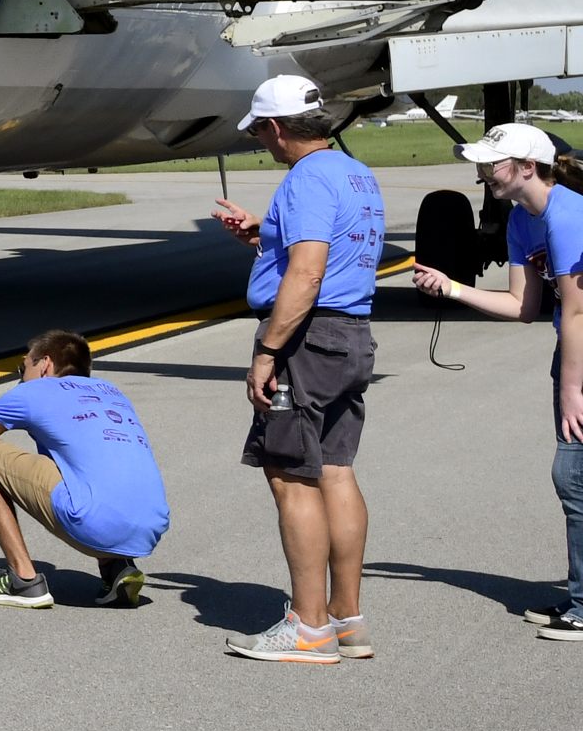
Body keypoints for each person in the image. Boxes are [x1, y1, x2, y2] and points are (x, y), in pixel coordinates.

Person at [213, 73, 384, 665]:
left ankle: (307, 626)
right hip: (352, 334)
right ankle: (346, 617)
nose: (263, 140)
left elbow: (308, 273)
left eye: (261, 130)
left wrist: (266, 350)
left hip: (308, 341)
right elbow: (326, 248)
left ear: (278, 127)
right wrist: (266, 235)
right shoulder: (352, 171)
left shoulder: (305, 177)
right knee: (336, 469)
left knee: (290, 475)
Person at [414, 122, 583, 637]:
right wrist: (452, 289)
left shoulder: (567, 214)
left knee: (572, 476)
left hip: (580, 358)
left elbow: (577, 313)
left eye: (493, 164)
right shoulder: (520, 220)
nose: (483, 173)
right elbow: (523, 306)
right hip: (572, 355)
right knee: (575, 479)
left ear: (527, 167)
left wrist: (572, 389)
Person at [0, 331, 167, 610]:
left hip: (94, 524)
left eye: (23, 367)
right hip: (149, 528)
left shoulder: (32, 391)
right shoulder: (113, 392)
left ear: (45, 364)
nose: (21, 376)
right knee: (83, 466)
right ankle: (117, 569)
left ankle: (22, 580)